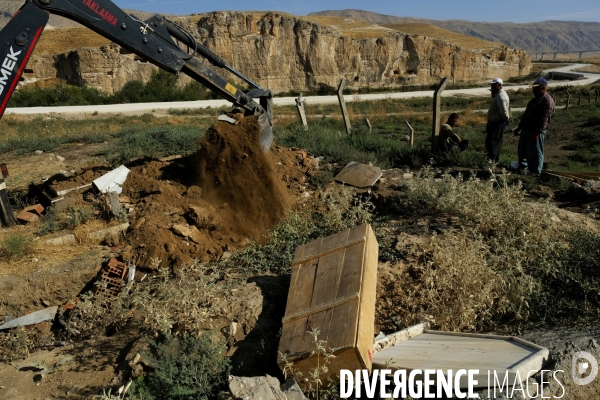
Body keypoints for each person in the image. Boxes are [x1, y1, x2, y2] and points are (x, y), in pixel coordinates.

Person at [513, 77, 555, 178]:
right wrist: (519, 128)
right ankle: (523, 168)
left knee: (535, 152)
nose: (533, 89)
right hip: (526, 129)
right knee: (523, 150)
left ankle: (535, 173)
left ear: (543, 87)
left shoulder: (547, 101)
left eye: (536, 88)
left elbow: (545, 120)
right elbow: (526, 115)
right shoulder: (534, 100)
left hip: (536, 131)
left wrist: (537, 133)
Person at [485, 78, 511, 163]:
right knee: (493, 142)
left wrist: (505, 118)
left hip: (497, 123)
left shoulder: (501, 96)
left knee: (493, 142)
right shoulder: (499, 95)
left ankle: (492, 161)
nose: (492, 87)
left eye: (494, 85)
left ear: (499, 86)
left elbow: (504, 111)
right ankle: (492, 160)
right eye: (491, 85)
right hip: (495, 123)